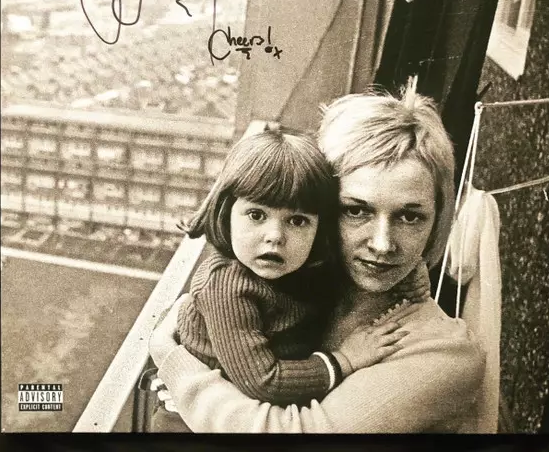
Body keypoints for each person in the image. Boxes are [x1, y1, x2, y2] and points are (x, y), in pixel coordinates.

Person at [149, 84, 487, 433]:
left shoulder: (443, 354)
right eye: (355, 210)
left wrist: (172, 360)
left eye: (410, 217)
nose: (383, 244)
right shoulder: (306, 282)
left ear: (437, 221)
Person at [155, 128, 426, 423]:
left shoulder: (302, 265)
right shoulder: (226, 286)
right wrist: (345, 360)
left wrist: (411, 272)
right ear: (225, 211)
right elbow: (263, 381)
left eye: (297, 221)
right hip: (190, 421)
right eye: (256, 215)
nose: (275, 236)